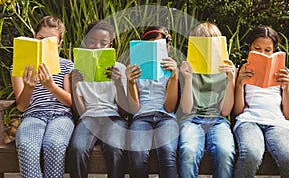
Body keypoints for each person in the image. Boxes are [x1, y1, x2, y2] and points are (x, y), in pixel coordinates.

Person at [11, 16, 74, 178]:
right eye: (41, 39)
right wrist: (29, 87)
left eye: (51, 41)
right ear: (34, 37)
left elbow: (70, 102)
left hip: (61, 116)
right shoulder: (19, 65)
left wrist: (51, 86)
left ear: (59, 43)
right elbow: (22, 106)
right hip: (33, 115)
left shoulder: (67, 65)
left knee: (55, 145)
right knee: (26, 147)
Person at [233, 25, 289, 178]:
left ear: (274, 50)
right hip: (249, 121)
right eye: (257, 49)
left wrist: (287, 88)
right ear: (250, 47)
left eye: (267, 50)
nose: (262, 53)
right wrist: (239, 84)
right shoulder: (242, 71)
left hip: (276, 123)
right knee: (251, 155)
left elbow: (288, 114)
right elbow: (238, 111)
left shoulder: (282, 72)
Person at [67, 20, 128, 178]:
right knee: (77, 149)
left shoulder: (119, 68)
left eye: (103, 43)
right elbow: (80, 112)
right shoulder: (77, 69)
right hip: (88, 118)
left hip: (114, 118)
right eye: (92, 42)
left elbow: (123, 112)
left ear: (110, 45)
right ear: (86, 42)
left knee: (115, 148)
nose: (97, 46)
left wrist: (119, 84)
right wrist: (74, 87)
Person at [178, 22, 236, 178]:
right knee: (188, 151)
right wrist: (188, 79)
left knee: (225, 152)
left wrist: (231, 80)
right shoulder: (187, 69)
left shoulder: (225, 69)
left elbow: (225, 111)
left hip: (218, 120)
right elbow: (186, 109)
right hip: (192, 119)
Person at [126, 26, 179, 178]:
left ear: (167, 48)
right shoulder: (136, 70)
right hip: (141, 117)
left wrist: (174, 77)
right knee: (137, 152)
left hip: (166, 117)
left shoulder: (170, 71)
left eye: (160, 46)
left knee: (167, 150)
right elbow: (134, 108)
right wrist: (130, 82)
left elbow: (169, 107)